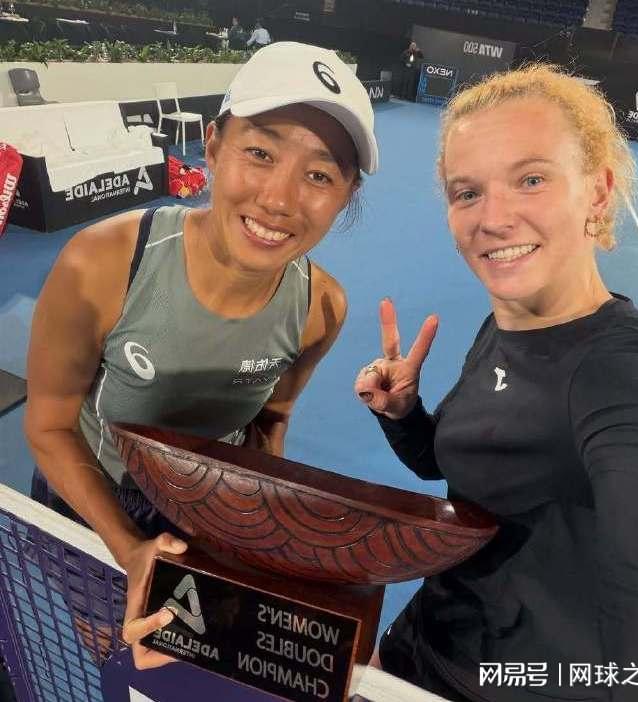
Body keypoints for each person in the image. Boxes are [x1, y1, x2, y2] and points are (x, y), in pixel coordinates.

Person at [25, 41, 378, 671]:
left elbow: (270, 420)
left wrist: (261, 527)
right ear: (212, 146)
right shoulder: (103, 262)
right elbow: (49, 427)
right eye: (260, 153)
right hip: (91, 493)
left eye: (320, 175)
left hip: (208, 510)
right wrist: (128, 547)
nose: (279, 200)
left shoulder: (321, 308)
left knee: (182, 659)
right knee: (104, 642)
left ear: (347, 195)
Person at [355, 64, 638, 701]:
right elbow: (464, 467)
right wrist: (404, 415)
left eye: (531, 179)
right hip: (417, 649)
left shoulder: (633, 375)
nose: (493, 218)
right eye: (467, 192)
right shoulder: (504, 326)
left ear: (598, 192)